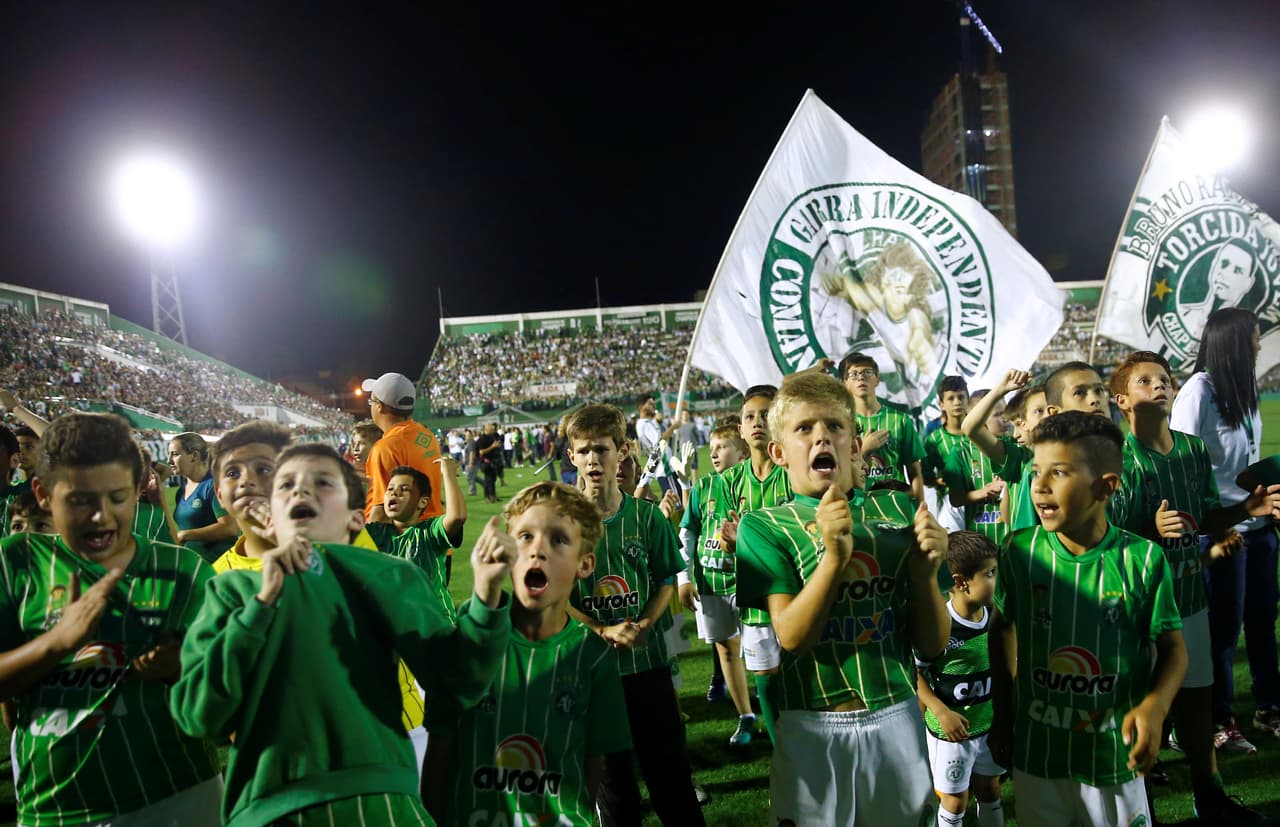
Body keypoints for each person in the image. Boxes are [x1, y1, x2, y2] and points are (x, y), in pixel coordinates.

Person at [170, 443, 512, 825]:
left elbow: (457, 683)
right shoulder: (231, 591)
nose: (301, 491)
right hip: (271, 807)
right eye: (286, 485)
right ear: (272, 518)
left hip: (379, 802)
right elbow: (199, 715)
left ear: (355, 520)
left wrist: (485, 598)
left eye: (322, 483)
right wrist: (261, 607)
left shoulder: (387, 575)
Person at [734, 372, 949, 826]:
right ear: (779, 453)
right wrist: (833, 558)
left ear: (854, 446)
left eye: (834, 427)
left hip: (896, 714)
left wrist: (928, 577)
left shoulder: (902, 513)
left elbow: (932, 646)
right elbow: (790, 637)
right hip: (811, 726)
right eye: (804, 428)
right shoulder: (764, 527)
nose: (821, 438)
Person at [0, 413, 221, 825]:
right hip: (59, 805)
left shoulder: (185, 573)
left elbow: (229, 693)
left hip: (180, 795)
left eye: (117, 497)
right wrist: (55, 643)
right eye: (81, 499)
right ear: (43, 494)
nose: (102, 516)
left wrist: (185, 668)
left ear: (138, 490)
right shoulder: (17, 563)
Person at [988, 412, 1187, 827]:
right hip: (1038, 754)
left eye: (1058, 473)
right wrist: (1005, 715)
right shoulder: (1017, 552)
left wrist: (1155, 707)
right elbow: (1002, 627)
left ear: (1105, 486)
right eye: (1035, 471)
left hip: (1113, 759)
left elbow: (1173, 651)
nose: (1039, 486)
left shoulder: (1142, 560)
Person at [1108, 349, 1280, 821]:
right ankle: (1142, 810)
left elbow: (1204, 518)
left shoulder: (1192, 449)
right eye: (1145, 381)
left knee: (1199, 701)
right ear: (1122, 399)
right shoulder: (1118, 459)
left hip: (1188, 595)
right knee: (1143, 712)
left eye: (1164, 378)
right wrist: (1150, 530)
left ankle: (1211, 796)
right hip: (1136, 606)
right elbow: (1105, 541)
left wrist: (1247, 510)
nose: (1160, 384)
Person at [424, 482, 631, 827]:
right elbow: (441, 744)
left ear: (585, 563)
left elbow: (596, 761)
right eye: (524, 537)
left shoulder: (593, 657)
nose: (538, 551)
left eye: (559, 539)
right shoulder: (469, 632)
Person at [562, 404, 704, 827]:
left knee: (672, 780)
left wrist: (643, 623)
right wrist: (600, 629)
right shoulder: (562, 524)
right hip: (595, 674)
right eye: (583, 451)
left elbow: (665, 577)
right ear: (571, 457)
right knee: (615, 789)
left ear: (622, 451)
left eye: (602, 450)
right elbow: (556, 599)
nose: (593, 460)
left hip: (649, 668)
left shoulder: (646, 518)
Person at [1169, 307, 1280, 751]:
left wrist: (1269, 504)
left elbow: (1247, 459)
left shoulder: (1243, 385)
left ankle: (1269, 707)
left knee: (1261, 621)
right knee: (1221, 630)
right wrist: (1214, 528)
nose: (1258, 344)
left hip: (1257, 527)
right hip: (1220, 531)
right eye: (1254, 337)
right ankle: (1217, 718)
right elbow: (1182, 467)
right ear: (1234, 341)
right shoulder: (1198, 392)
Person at [916, 531, 1005, 827]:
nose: (996, 579)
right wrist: (940, 711)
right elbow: (913, 671)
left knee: (990, 790)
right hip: (953, 733)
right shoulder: (941, 625)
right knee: (955, 801)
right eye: (989, 573)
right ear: (959, 582)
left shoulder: (996, 615)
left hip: (988, 725)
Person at [720, 385, 792, 743]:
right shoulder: (730, 481)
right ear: (741, 429)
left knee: (798, 684)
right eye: (750, 416)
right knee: (766, 682)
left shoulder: (793, 472)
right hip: (754, 600)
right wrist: (730, 543)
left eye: (766, 415)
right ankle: (784, 759)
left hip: (795, 595)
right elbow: (722, 540)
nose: (758, 422)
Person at [678, 423, 757, 746]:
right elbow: (688, 532)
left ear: (743, 452)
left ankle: (777, 708)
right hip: (711, 582)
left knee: (765, 651)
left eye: (723, 446)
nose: (713, 452)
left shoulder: (755, 484)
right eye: (711, 446)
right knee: (726, 649)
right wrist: (683, 577)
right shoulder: (703, 487)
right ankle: (746, 717)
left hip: (752, 581)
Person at [840, 352, 925, 501]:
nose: (861, 377)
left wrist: (919, 509)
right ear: (845, 383)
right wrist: (864, 449)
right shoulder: (841, 424)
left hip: (895, 504)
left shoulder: (901, 420)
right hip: (858, 506)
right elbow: (838, 472)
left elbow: (915, 473)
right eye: (853, 374)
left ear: (877, 379)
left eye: (867, 372)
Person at [361, 371, 445, 521]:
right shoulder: (426, 435)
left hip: (406, 540)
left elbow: (381, 513)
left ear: (380, 406)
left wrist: (358, 544)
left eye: (371, 402)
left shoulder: (385, 448)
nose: (371, 406)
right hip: (433, 534)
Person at [168, 431, 238, 562]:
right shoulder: (181, 491)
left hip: (218, 565)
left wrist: (186, 535)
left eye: (175, 454)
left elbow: (230, 528)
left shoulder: (213, 485)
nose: (169, 461)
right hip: (194, 565)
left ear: (194, 456)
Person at [923, 375, 978, 532]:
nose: (957, 402)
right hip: (951, 504)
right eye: (951, 398)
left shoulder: (982, 433)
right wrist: (942, 481)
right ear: (941, 404)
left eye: (961, 397)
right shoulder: (934, 439)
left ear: (968, 400)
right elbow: (925, 475)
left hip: (985, 502)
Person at [475, 422, 503, 503]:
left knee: (492, 479)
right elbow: (481, 452)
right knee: (489, 480)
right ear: (486, 430)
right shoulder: (482, 439)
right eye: (492, 429)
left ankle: (493, 496)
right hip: (485, 462)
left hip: (493, 461)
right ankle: (488, 497)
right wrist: (492, 447)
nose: (493, 431)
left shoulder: (492, 437)